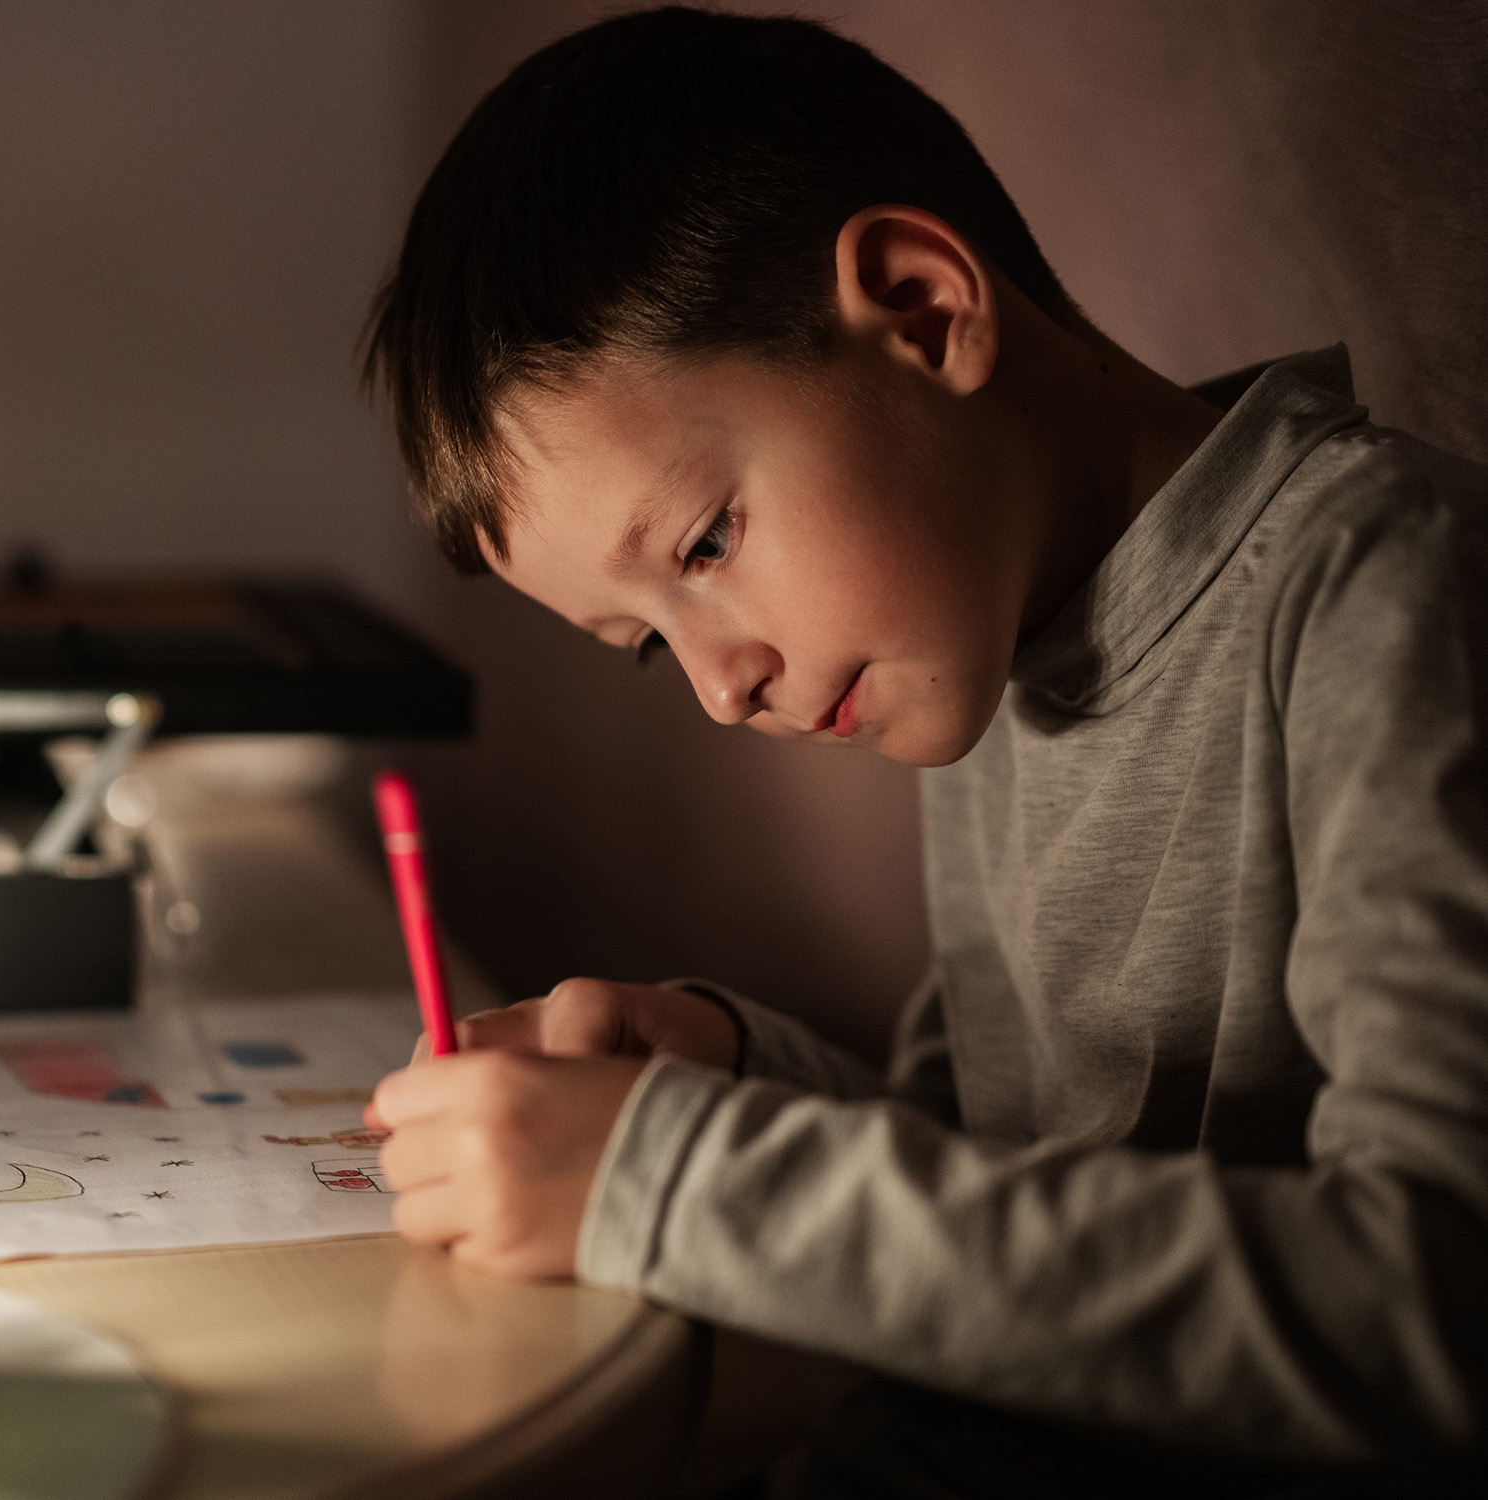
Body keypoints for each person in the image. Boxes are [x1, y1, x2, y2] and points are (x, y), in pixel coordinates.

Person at [360, 8, 1486, 1492]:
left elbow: (1433, 1312)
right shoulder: (984, 628)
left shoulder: (1378, 590)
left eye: (704, 544)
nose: (719, 688)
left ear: (921, 310)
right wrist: (730, 1074)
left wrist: (684, 1182)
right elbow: (1004, 1200)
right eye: (645, 643)